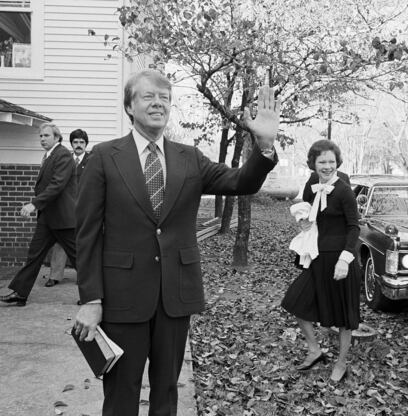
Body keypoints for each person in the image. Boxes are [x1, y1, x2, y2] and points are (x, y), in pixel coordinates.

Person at [72, 69, 280, 416]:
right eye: (147, 96)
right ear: (129, 107)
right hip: (123, 298)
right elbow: (87, 234)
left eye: (164, 97)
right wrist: (91, 299)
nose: (158, 103)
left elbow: (240, 181)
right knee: (122, 393)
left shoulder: (189, 158)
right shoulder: (104, 157)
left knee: (167, 392)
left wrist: (265, 146)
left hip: (175, 298)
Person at [281, 139, 360, 383]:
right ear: (313, 164)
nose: (327, 166)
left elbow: (354, 228)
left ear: (337, 162)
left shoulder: (344, 190)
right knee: (295, 300)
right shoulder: (312, 184)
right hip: (317, 257)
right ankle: (315, 350)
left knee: (343, 316)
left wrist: (345, 260)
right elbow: (306, 213)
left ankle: (341, 362)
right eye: (322, 161)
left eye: (331, 161)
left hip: (340, 260)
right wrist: (303, 222)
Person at [0, 123, 77, 306]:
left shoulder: (62, 154)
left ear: (57, 137)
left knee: (79, 257)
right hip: (48, 218)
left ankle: (96, 295)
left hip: (63, 218)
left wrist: (34, 204)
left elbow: (57, 185)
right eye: (40, 136)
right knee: (34, 255)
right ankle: (20, 293)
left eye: (46, 136)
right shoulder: (49, 156)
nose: (42, 139)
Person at [44, 129, 90, 288]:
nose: (78, 145)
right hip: (66, 209)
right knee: (60, 242)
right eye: (75, 142)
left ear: (86, 144)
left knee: (84, 243)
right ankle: (55, 276)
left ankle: (83, 276)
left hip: (85, 209)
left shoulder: (92, 160)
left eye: (82, 142)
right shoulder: (64, 159)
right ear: (71, 144)